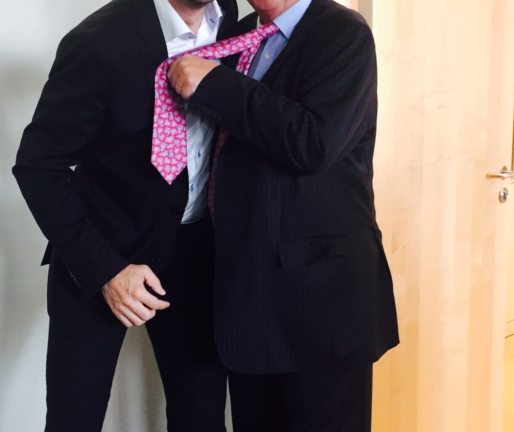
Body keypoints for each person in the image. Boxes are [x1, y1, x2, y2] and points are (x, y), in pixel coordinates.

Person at [166, 0, 399, 430]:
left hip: (322, 308)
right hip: (247, 301)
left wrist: (217, 84)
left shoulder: (344, 34)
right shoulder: (238, 35)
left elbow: (313, 143)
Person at [12, 0, 237, 429]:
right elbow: (38, 167)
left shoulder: (230, 20)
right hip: (102, 252)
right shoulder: (98, 41)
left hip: (195, 254)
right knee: (74, 419)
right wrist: (107, 272)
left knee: (202, 416)